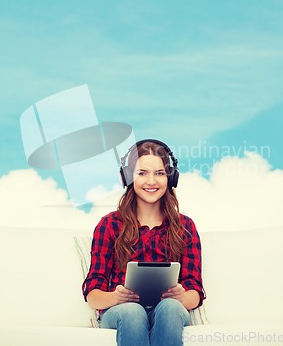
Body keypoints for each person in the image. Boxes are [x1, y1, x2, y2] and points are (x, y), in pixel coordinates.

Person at [82, 139, 205, 346]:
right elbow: (93, 295)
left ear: (171, 177)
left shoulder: (185, 226)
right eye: (142, 173)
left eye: (159, 173)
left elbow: (195, 292)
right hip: (122, 312)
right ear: (128, 177)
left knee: (171, 308)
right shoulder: (109, 225)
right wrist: (116, 297)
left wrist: (182, 297)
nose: (151, 181)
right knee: (132, 311)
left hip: (169, 312)